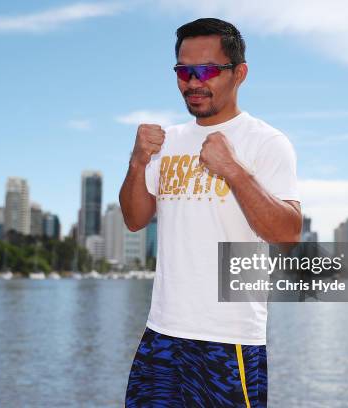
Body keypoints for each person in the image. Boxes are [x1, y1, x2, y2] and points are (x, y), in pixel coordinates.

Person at [120, 18, 302, 407]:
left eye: (207, 70)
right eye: (184, 71)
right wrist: (137, 162)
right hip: (162, 333)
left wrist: (234, 171)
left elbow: (288, 234)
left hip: (229, 337)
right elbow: (135, 220)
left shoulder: (267, 142)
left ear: (240, 74)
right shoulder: (166, 142)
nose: (193, 82)